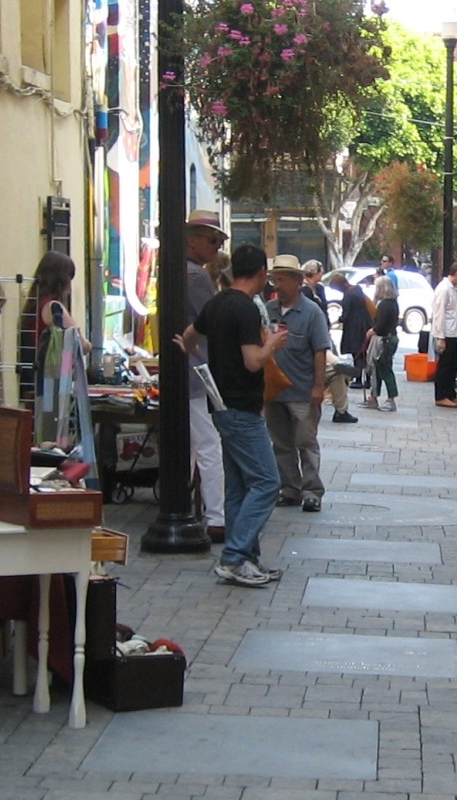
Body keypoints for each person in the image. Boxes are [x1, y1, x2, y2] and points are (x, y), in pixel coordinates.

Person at [176, 244, 290, 587]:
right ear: (260, 273)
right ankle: (234, 555)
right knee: (268, 482)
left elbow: (189, 336)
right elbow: (253, 361)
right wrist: (272, 343)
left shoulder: (217, 302)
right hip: (242, 406)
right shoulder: (245, 309)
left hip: (220, 403)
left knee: (240, 484)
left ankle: (248, 558)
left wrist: (193, 351)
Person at [263, 255, 332, 513]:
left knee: (306, 442)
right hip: (274, 392)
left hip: (302, 391)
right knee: (280, 443)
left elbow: (320, 350)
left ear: (297, 281)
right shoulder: (268, 311)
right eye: (274, 279)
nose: (276, 285)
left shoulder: (311, 312)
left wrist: (318, 387)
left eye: (281, 280)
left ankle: (312, 490)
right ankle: (289, 488)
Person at [182, 210, 230, 543]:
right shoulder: (195, 277)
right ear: (193, 240)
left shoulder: (183, 272)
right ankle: (217, 515)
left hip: (188, 368)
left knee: (193, 445)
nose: (217, 246)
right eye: (213, 240)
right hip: (196, 371)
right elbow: (212, 320)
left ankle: (198, 509)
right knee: (209, 445)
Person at [19, 250, 77, 405]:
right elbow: (81, 343)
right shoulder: (53, 308)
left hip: (34, 386)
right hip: (50, 389)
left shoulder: (33, 305)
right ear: (61, 281)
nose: (70, 288)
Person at [327, 272, 370, 423]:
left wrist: (336, 320)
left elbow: (345, 315)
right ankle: (365, 377)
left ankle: (358, 377)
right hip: (363, 324)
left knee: (356, 352)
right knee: (361, 351)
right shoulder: (357, 290)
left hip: (353, 327)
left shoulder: (348, 295)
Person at [429, 262, 457, 408]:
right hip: (446, 332)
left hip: (453, 331)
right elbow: (439, 314)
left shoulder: (453, 289)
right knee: (444, 365)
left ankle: (450, 393)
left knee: (452, 364)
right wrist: (440, 337)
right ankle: (441, 395)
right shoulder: (443, 289)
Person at [361, 278, 401, 412]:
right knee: (377, 370)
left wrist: (372, 330)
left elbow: (381, 325)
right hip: (389, 338)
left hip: (384, 340)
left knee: (384, 369)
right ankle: (374, 397)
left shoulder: (385, 305)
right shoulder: (393, 303)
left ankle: (391, 399)